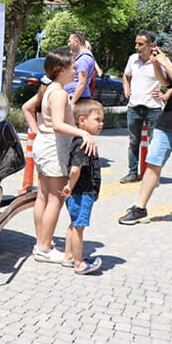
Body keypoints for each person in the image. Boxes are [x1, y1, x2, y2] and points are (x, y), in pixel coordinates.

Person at [22, 49, 96, 262]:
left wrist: (38, 130)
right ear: (61, 70)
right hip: (53, 149)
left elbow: (28, 109)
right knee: (55, 198)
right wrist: (82, 132)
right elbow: (57, 124)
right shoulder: (60, 93)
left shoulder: (49, 89)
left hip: (45, 146)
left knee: (44, 196)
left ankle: (41, 243)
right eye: (72, 67)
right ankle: (44, 248)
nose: (75, 70)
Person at [118, 28, 172, 230]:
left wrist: (166, 63)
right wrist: (158, 64)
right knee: (152, 163)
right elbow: (167, 82)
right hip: (168, 121)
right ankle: (140, 209)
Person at [120, 30, 171, 183]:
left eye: (140, 44)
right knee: (133, 142)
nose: (137, 47)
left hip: (153, 108)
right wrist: (126, 88)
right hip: (134, 107)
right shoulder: (133, 59)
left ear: (151, 45)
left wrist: (165, 96)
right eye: (136, 43)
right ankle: (132, 173)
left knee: (155, 143)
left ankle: (152, 177)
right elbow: (126, 75)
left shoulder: (161, 60)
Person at [61, 99, 104, 275]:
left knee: (73, 224)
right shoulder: (83, 143)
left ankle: (69, 257)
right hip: (81, 192)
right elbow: (76, 169)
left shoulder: (80, 140)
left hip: (81, 192)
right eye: (97, 120)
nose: (101, 124)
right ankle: (79, 263)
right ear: (82, 120)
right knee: (79, 227)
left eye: (102, 120)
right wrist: (70, 186)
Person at [65, 31, 96, 105]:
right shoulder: (81, 58)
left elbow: (82, 83)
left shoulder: (83, 59)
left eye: (70, 41)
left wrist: (72, 103)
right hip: (77, 97)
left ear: (77, 41)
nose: (68, 44)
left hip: (78, 98)